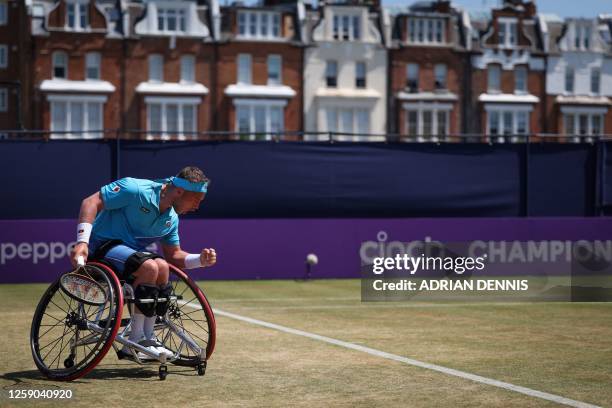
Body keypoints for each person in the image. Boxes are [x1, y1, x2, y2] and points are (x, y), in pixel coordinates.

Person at [70, 166, 217, 359]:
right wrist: (82, 242)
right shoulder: (135, 189)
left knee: (162, 266)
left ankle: (147, 337)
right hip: (100, 249)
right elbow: (91, 202)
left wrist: (200, 260)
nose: (197, 206)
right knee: (148, 266)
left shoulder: (171, 219)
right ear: (180, 191)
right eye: (195, 200)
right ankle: (136, 339)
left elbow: (173, 256)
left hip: (132, 258)